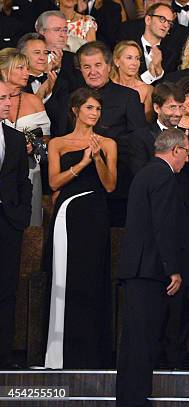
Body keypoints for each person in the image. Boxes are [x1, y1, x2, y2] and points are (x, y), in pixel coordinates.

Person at [116, 128, 189, 405]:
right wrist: (172, 268)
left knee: (135, 337)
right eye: (186, 152)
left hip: (138, 268)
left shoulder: (146, 173)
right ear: (175, 150)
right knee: (143, 338)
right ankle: (135, 398)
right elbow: (163, 225)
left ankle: (129, 396)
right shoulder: (163, 176)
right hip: (148, 270)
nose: (187, 158)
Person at [43, 88, 117, 369]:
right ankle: (60, 354)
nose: (94, 114)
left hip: (96, 214)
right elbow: (53, 183)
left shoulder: (108, 144)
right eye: (89, 108)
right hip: (67, 215)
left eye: (97, 109)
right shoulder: (58, 143)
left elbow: (110, 185)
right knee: (65, 278)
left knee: (93, 278)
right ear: (76, 110)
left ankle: (91, 354)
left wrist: (96, 158)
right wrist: (82, 162)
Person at [70, 41, 147, 226]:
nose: (92, 72)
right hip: (78, 181)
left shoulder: (128, 97)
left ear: (109, 66)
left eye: (98, 65)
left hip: (117, 184)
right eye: (86, 67)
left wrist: (105, 146)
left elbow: (139, 140)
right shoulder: (71, 98)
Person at [0, 79, 32, 369]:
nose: (8, 103)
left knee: (7, 290)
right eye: (2, 98)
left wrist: (21, 216)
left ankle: (4, 354)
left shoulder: (13, 138)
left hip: (8, 224)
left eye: (10, 97)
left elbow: (23, 182)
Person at [0, 48, 50, 227]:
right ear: (4, 71)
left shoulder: (34, 101)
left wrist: (33, 146)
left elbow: (46, 141)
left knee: (29, 226)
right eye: (20, 68)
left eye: (26, 67)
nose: (26, 72)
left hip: (29, 172)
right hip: (3, 174)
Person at [17, 33, 72, 138]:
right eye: (37, 53)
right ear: (22, 56)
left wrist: (49, 94)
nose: (42, 57)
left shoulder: (61, 84)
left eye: (45, 53)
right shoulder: (16, 83)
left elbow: (62, 123)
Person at [35, 11, 83, 97]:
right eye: (57, 30)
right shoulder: (29, 57)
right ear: (42, 32)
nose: (62, 35)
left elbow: (77, 91)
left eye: (65, 30)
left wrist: (58, 69)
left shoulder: (74, 58)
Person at [110, 40, 155, 121]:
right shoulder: (107, 86)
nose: (134, 63)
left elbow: (147, 124)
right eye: (129, 58)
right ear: (117, 62)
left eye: (137, 58)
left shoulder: (147, 90)